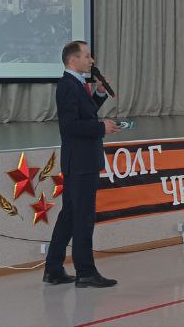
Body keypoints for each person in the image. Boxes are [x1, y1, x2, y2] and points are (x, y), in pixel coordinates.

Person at [44, 40, 120, 288]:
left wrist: (99, 94)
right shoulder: (68, 85)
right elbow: (70, 126)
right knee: (83, 217)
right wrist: (101, 127)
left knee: (69, 215)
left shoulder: (76, 84)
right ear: (73, 60)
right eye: (87, 56)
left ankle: (53, 269)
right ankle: (85, 272)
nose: (91, 60)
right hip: (81, 162)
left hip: (80, 161)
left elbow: (84, 113)